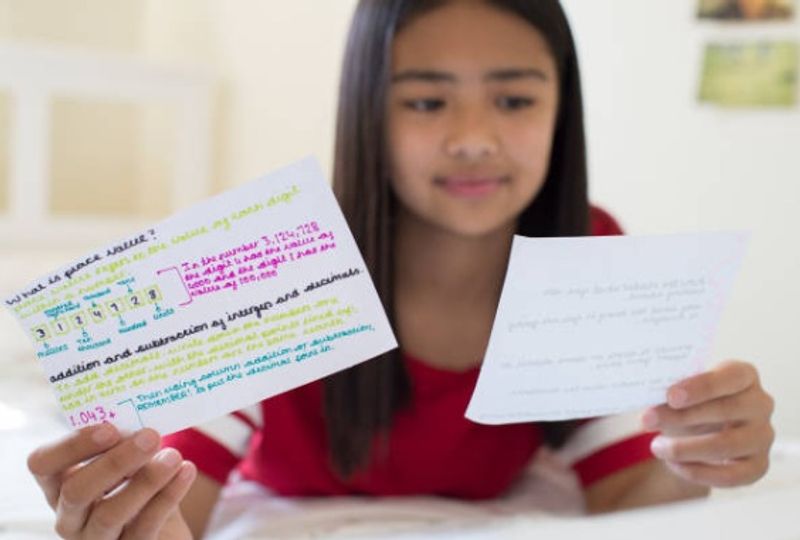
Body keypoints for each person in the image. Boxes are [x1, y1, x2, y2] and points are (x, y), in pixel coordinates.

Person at [26, 1, 775, 538]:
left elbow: (626, 495)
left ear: (561, 111)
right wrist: (122, 520)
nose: (474, 138)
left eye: (514, 98)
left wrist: (702, 459)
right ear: (367, 113)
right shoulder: (279, 267)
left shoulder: (587, 247)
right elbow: (175, 507)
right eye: (426, 101)